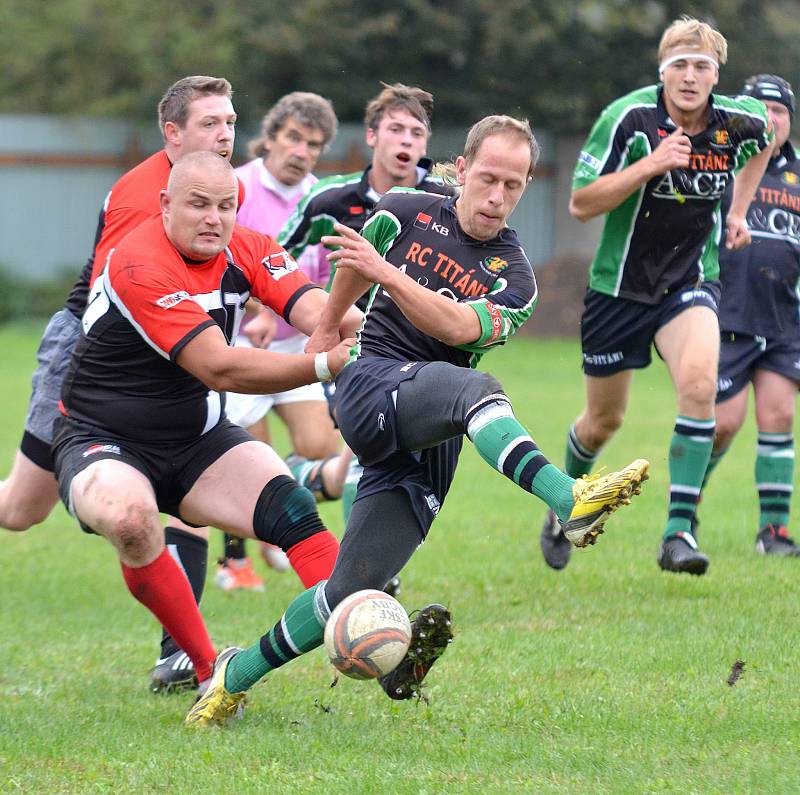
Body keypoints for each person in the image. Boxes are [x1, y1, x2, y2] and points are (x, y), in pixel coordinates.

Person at [185, 116, 649, 728]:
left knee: (348, 590)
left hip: (433, 430)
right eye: (487, 178)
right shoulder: (404, 208)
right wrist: (326, 327)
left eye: (513, 185)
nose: (496, 196)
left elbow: (456, 328)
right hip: (372, 380)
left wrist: (387, 274)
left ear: (526, 186)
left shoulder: (517, 277)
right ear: (461, 170)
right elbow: (355, 259)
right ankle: (569, 498)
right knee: (478, 390)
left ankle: (232, 677)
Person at [53, 151, 358, 702]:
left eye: (225, 206)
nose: (213, 218)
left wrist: (359, 329)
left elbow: (310, 305)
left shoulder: (247, 245)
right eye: (198, 205)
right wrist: (323, 364)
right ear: (166, 204)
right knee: (129, 520)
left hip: (195, 438)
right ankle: (205, 667)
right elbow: (218, 365)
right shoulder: (138, 260)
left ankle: (369, 626)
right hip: (105, 439)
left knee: (291, 507)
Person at [0, 75, 250, 689]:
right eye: (210, 123)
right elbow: (106, 311)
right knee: (19, 508)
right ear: (173, 132)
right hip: (92, 362)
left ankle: (180, 653)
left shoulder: (211, 190)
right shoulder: (146, 195)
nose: (224, 135)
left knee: (187, 486)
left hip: (173, 359)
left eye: (230, 122)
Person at [538, 16, 774, 576]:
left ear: (717, 75)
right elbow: (581, 202)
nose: (690, 77)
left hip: (691, 281)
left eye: (702, 67)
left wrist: (738, 211)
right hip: (618, 289)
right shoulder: (629, 118)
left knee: (699, 386)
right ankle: (565, 506)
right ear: (662, 70)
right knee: (604, 422)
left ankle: (678, 535)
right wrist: (652, 164)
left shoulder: (738, 120)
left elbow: (764, 141)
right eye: (680, 66)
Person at [277, 82, 452, 538]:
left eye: (417, 132)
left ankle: (294, 481)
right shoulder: (329, 200)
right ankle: (370, 581)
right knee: (370, 454)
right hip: (353, 346)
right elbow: (274, 259)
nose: (407, 140)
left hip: (422, 349)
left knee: (374, 459)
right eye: (396, 129)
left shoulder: (446, 201)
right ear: (372, 136)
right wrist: (269, 310)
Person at [215, 91, 340, 591]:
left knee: (320, 447)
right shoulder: (236, 188)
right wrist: (255, 307)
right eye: (293, 138)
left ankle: (274, 512)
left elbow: (323, 275)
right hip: (236, 346)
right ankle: (234, 564)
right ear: (269, 138)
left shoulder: (323, 197)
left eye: (313, 144)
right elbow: (214, 263)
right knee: (244, 451)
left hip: (297, 346)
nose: (301, 151)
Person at [701, 75, 800, 557]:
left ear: (789, 119)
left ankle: (773, 533)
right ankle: (687, 503)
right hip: (727, 313)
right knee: (723, 424)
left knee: (779, 415)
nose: (771, 117)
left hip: (785, 319)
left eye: (779, 110)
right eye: (761, 108)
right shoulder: (724, 166)